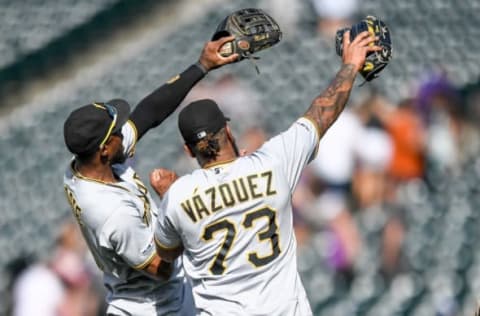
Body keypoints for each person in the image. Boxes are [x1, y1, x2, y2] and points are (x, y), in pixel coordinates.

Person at [152, 31, 381, 315]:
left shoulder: (179, 197)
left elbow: (166, 256)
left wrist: (168, 196)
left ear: (188, 151)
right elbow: (321, 113)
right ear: (228, 131)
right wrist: (350, 66)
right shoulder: (272, 163)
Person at [62, 36, 238, 316]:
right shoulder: (112, 214)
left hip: (167, 298)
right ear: (104, 148)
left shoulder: (90, 163)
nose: (125, 131)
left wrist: (201, 66)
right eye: (117, 132)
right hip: (155, 308)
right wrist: (174, 204)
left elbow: (149, 112)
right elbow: (161, 268)